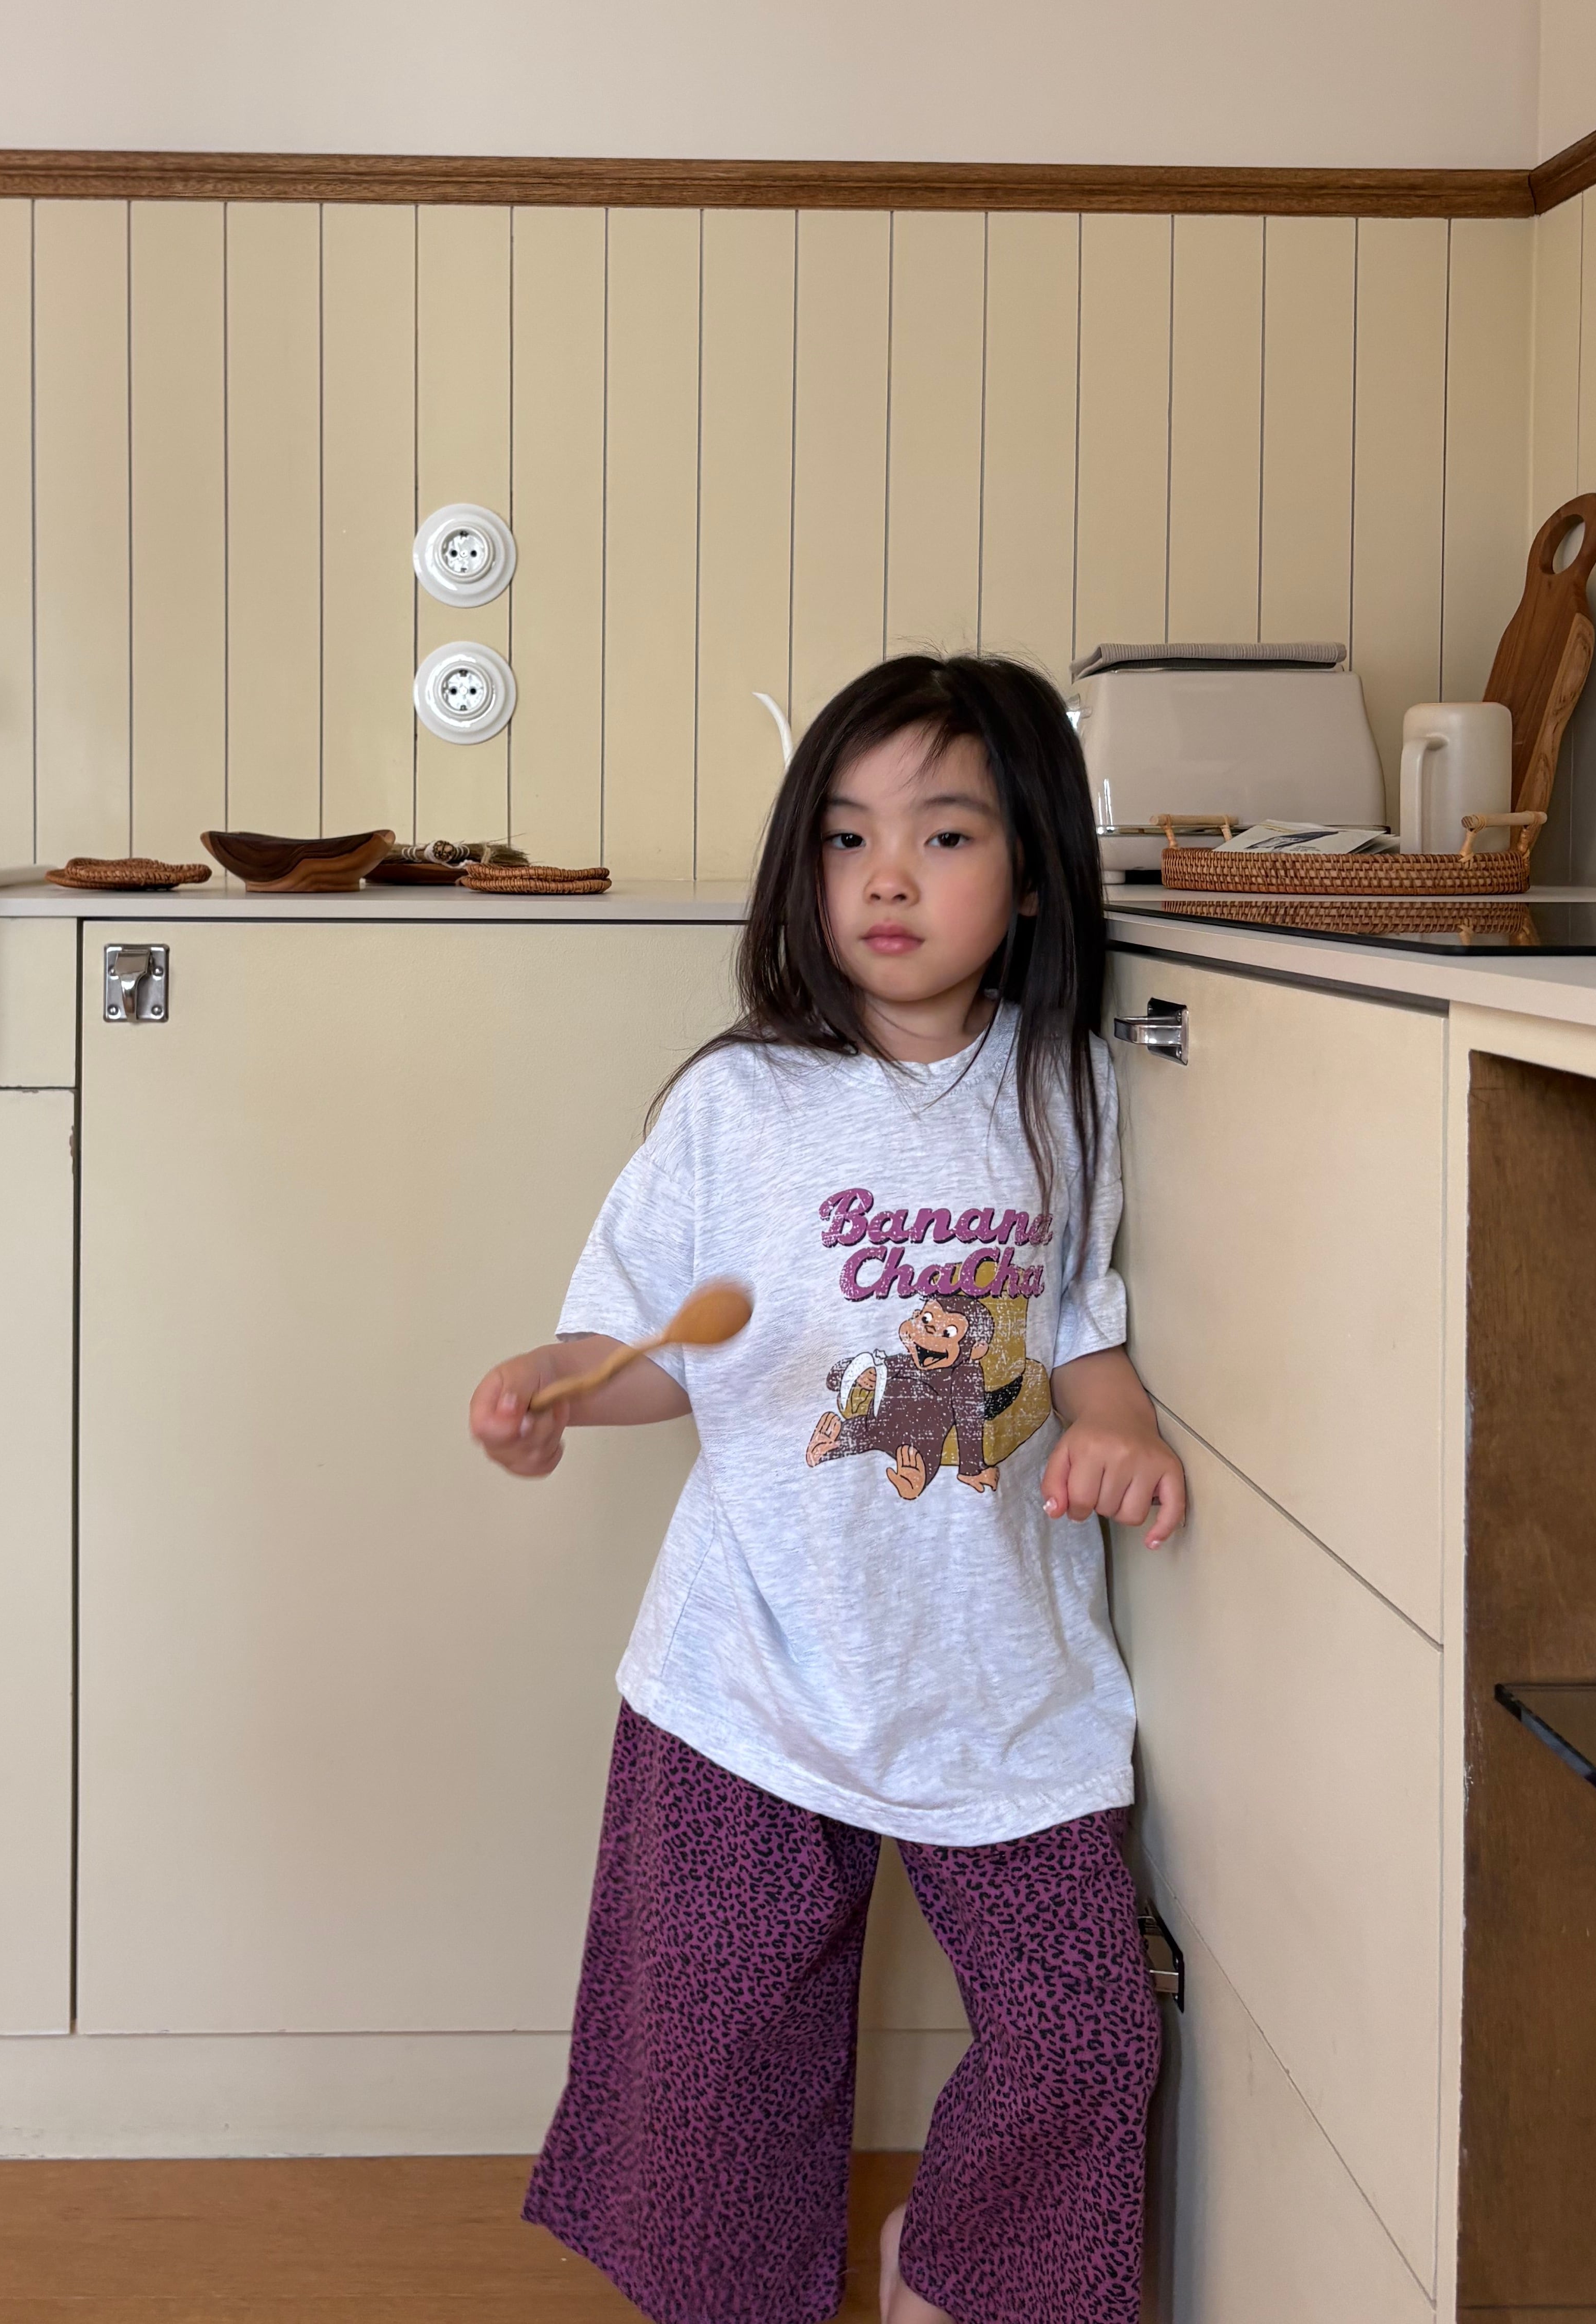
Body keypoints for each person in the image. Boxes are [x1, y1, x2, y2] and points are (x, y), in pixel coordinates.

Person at [468, 652, 1184, 2324]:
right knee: (709, 2068)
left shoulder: (1067, 1090)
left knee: (1085, 2035)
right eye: (847, 837)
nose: (885, 877)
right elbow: (644, 1349)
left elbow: (1082, 1335)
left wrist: (1120, 1431)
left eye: (944, 836)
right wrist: (554, 1392)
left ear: (1029, 877)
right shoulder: (735, 1104)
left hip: (996, 1670)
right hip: (749, 1667)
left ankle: (951, 2266)